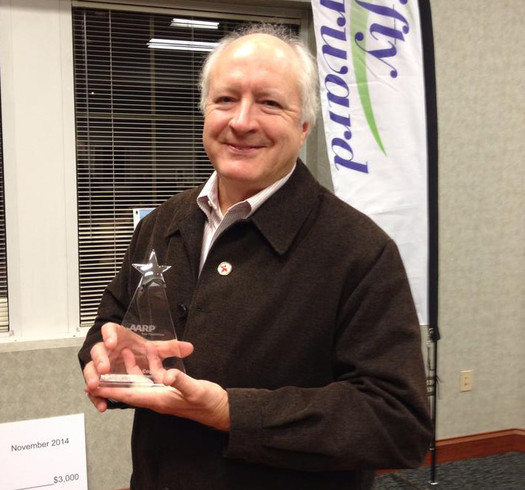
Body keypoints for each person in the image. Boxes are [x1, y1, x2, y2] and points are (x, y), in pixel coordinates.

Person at [79, 24, 432, 490]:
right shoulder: (161, 223)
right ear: (205, 110)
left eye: (269, 103)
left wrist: (232, 412)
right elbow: (110, 331)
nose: (241, 121)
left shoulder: (360, 252)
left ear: (304, 125)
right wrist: (105, 359)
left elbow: (396, 423)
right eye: (225, 99)